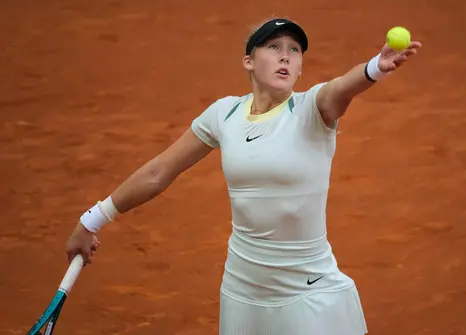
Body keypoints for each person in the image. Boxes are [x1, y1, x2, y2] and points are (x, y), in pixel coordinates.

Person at [65, 17, 423, 334]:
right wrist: (92, 220)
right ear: (249, 62)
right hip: (243, 289)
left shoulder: (312, 109)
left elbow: (342, 87)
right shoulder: (225, 114)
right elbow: (159, 171)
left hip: (308, 288)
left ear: (300, 68)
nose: (286, 56)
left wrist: (375, 68)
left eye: (295, 50)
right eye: (273, 47)